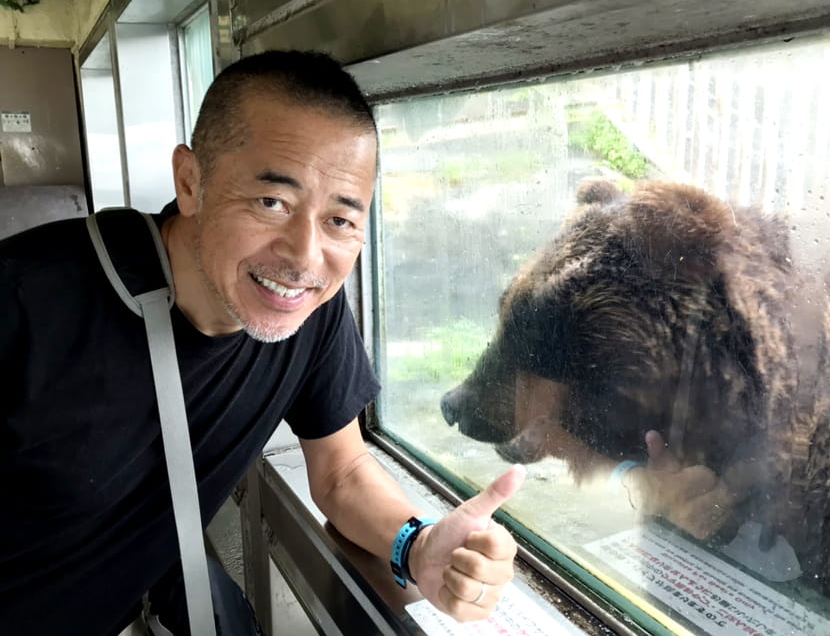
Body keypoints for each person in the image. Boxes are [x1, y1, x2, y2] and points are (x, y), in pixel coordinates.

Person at [0, 50, 525, 635]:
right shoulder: (26, 304)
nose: (304, 256)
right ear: (190, 182)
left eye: (340, 220)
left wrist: (417, 545)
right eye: (272, 202)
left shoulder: (309, 312)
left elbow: (343, 470)